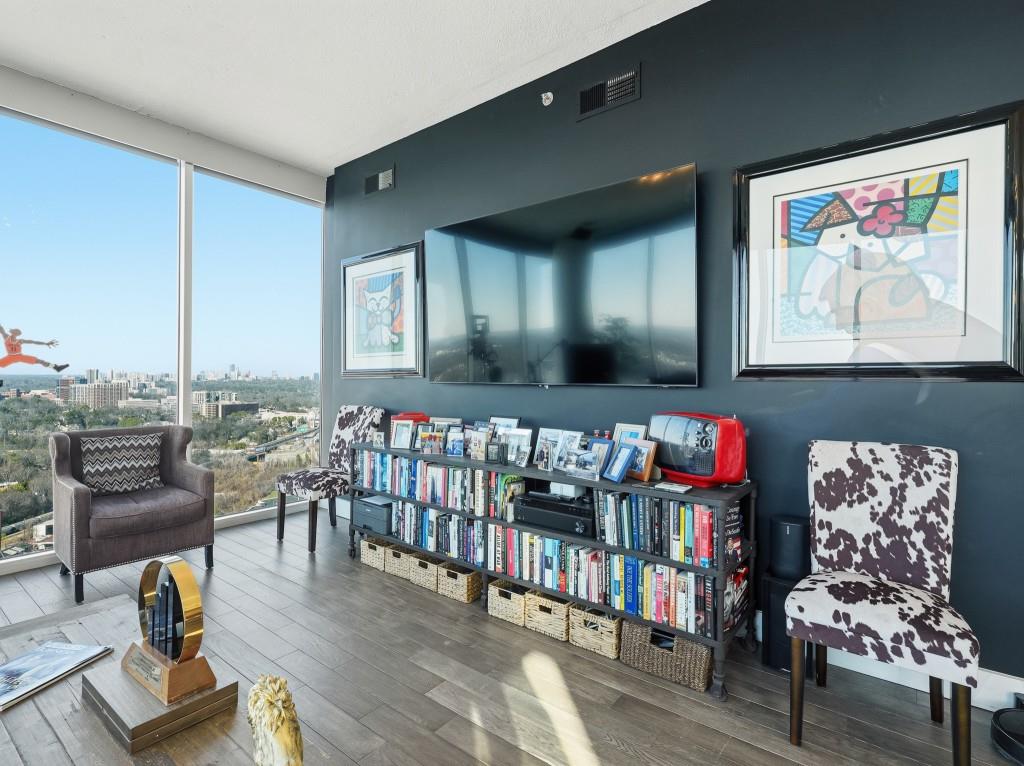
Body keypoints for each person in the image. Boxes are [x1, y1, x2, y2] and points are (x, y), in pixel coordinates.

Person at [0, 324, 68, 371]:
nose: (16, 335)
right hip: (10, 357)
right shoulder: (6, 337)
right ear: (13, 332)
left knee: (40, 361)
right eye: (16, 333)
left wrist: (46, 343)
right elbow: (1, 328)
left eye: (18, 334)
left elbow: (34, 342)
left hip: (20, 356)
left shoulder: (20, 341)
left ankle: (56, 367)